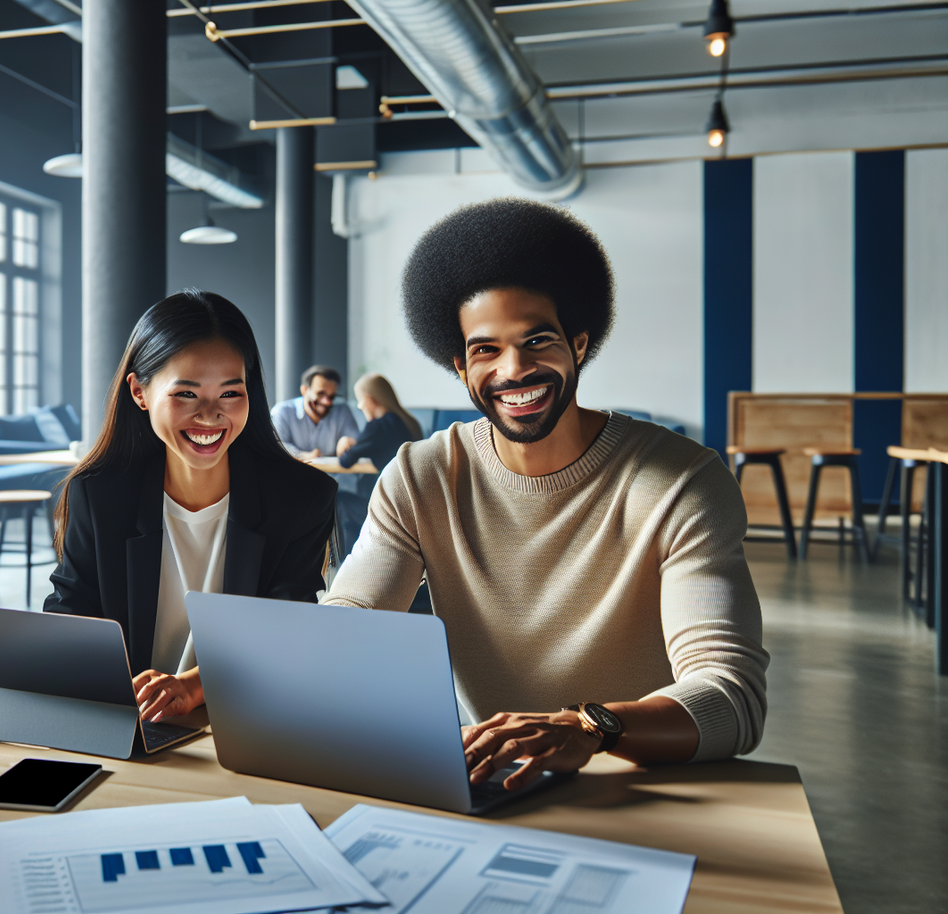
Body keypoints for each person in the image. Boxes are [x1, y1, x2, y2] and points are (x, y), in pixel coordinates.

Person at [324, 199, 768, 791]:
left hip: (640, 784)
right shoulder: (422, 475)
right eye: (486, 349)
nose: (514, 370)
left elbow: (731, 695)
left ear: (579, 344)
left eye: (537, 341)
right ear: (459, 366)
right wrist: (243, 672)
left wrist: (588, 728)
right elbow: (351, 621)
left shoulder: (681, 481)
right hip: (495, 785)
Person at [45, 290, 337, 724]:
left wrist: (191, 687)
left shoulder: (301, 497)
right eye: (185, 394)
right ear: (139, 392)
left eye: (230, 393)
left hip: (249, 720)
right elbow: (71, 615)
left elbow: (286, 629)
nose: (210, 416)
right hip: (131, 723)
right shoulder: (99, 494)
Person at [270, 364, 360, 459]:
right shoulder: (282, 411)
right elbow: (275, 446)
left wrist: (348, 443)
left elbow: (356, 443)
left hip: (333, 473)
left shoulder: (342, 411)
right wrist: (303, 456)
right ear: (304, 390)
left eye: (331, 396)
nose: (327, 402)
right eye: (321, 393)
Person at [338, 373, 422, 472]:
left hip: (392, 485)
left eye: (360, 403)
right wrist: (358, 444)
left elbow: (346, 461)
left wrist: (341, 447)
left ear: (368, 399)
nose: (361, 408)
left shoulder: (376, 427)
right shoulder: (409, 421)